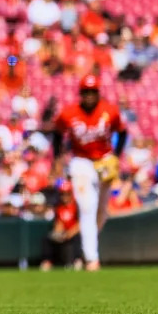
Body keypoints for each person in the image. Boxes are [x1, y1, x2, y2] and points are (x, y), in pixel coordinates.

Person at [52, 74, 128, 271]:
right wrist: (58, 158)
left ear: (98, 92)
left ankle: (82, 250)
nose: (89, 95)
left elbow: (123, 132)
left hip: (104, 160)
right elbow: (57, 134)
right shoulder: (69, 113)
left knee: (102, 211)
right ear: (80, 93)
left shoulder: (109, 110)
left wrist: (116, 156)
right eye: (85, 91)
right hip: (81, 161)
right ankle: (92, 258)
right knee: (87, 206)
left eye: (92, 91)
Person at [40, 179, 84, 271]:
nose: (64, 196)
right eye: (62, 194)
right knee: (48, 238)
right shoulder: (58, 206)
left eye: (67, 193)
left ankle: (77, 260)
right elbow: (58, 223)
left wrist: (69, 233)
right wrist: (58, 232)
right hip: (64, 232)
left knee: (77, 238)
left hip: (74, 232)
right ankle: (47, 261)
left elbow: (80, 224)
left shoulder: (77, 205)